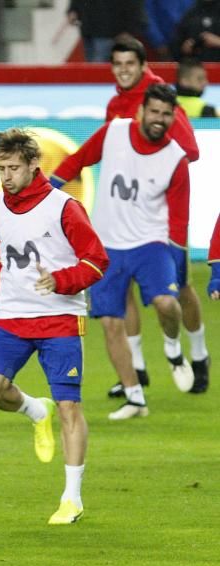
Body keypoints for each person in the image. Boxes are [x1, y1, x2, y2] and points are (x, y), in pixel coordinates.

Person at [0, 128, 108, 525]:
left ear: (36, 165)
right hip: (14, 317)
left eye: (13, 167)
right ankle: (35, 410)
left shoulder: (64, 207)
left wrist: (61, 281)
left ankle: (72, 497)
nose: (6, 175)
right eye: (1, 167)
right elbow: (1, 258)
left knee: (70, 405)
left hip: (60, 319)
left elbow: (97, 261)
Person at [52, 84, 194, 419]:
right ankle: (135, 398)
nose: (159, 119)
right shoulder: (114, 132)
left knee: (166, 303)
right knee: (111, 323)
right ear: (141, 112)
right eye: (154, 111)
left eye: (166, 114)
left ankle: (173, 349)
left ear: (173, 117)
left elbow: (179, 221)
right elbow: (78, 160)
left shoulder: (176, 160)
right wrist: (46, 190)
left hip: (151, 244)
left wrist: (179, 268)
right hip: (106, 246)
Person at [80, 36, 208, 396]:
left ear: (142, 65)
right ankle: (136, 368)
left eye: (129, 65)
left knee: (180, 287)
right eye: (117, 65)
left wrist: (151, 166)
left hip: (161, 214)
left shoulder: (159, 99)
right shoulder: (115, 104)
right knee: (123, 294)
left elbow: (190, 151)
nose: (123, 71)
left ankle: (198, 354)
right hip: (123, 212)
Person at [66, 0, 146, 63]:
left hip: (112, 31)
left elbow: (136, 4)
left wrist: (130, 29)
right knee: (92, 66)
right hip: (88, 28)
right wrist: (73, 9)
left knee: (99, 66)